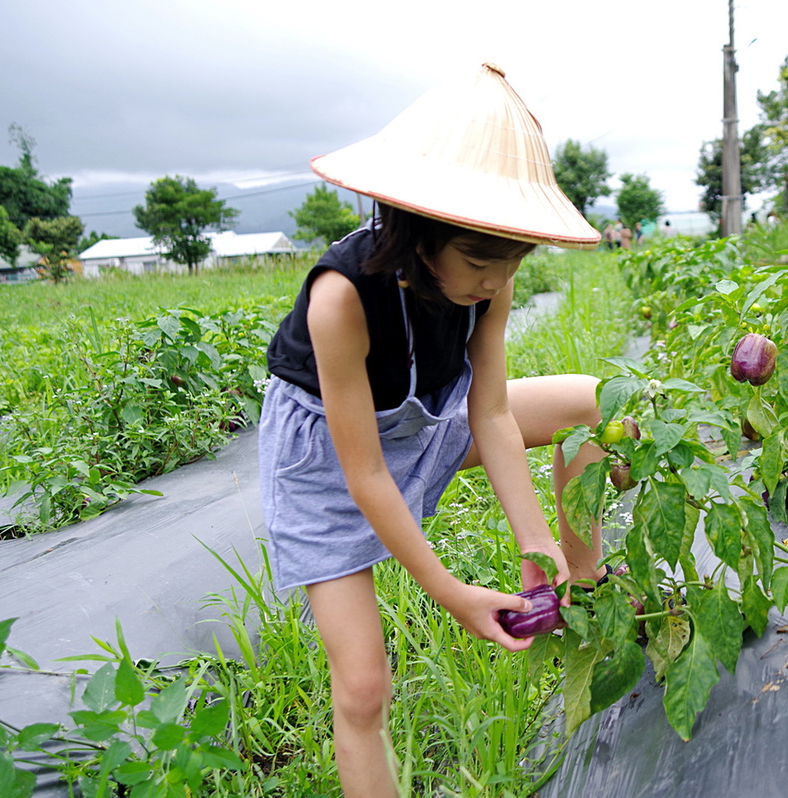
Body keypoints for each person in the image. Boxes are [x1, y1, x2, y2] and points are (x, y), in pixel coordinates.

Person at [259, 63, 605, 798]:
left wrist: (534, 539)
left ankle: (590, 584)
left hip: (426, 423)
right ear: (418, 232)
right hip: (329, 462)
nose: (495, 279)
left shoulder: (492, 279)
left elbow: (491, 413)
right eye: (480, 261)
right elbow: (366, 477)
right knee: (361, 689)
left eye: (512, 259)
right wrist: (450, 590)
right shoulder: (340, 301)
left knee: (593, 403)